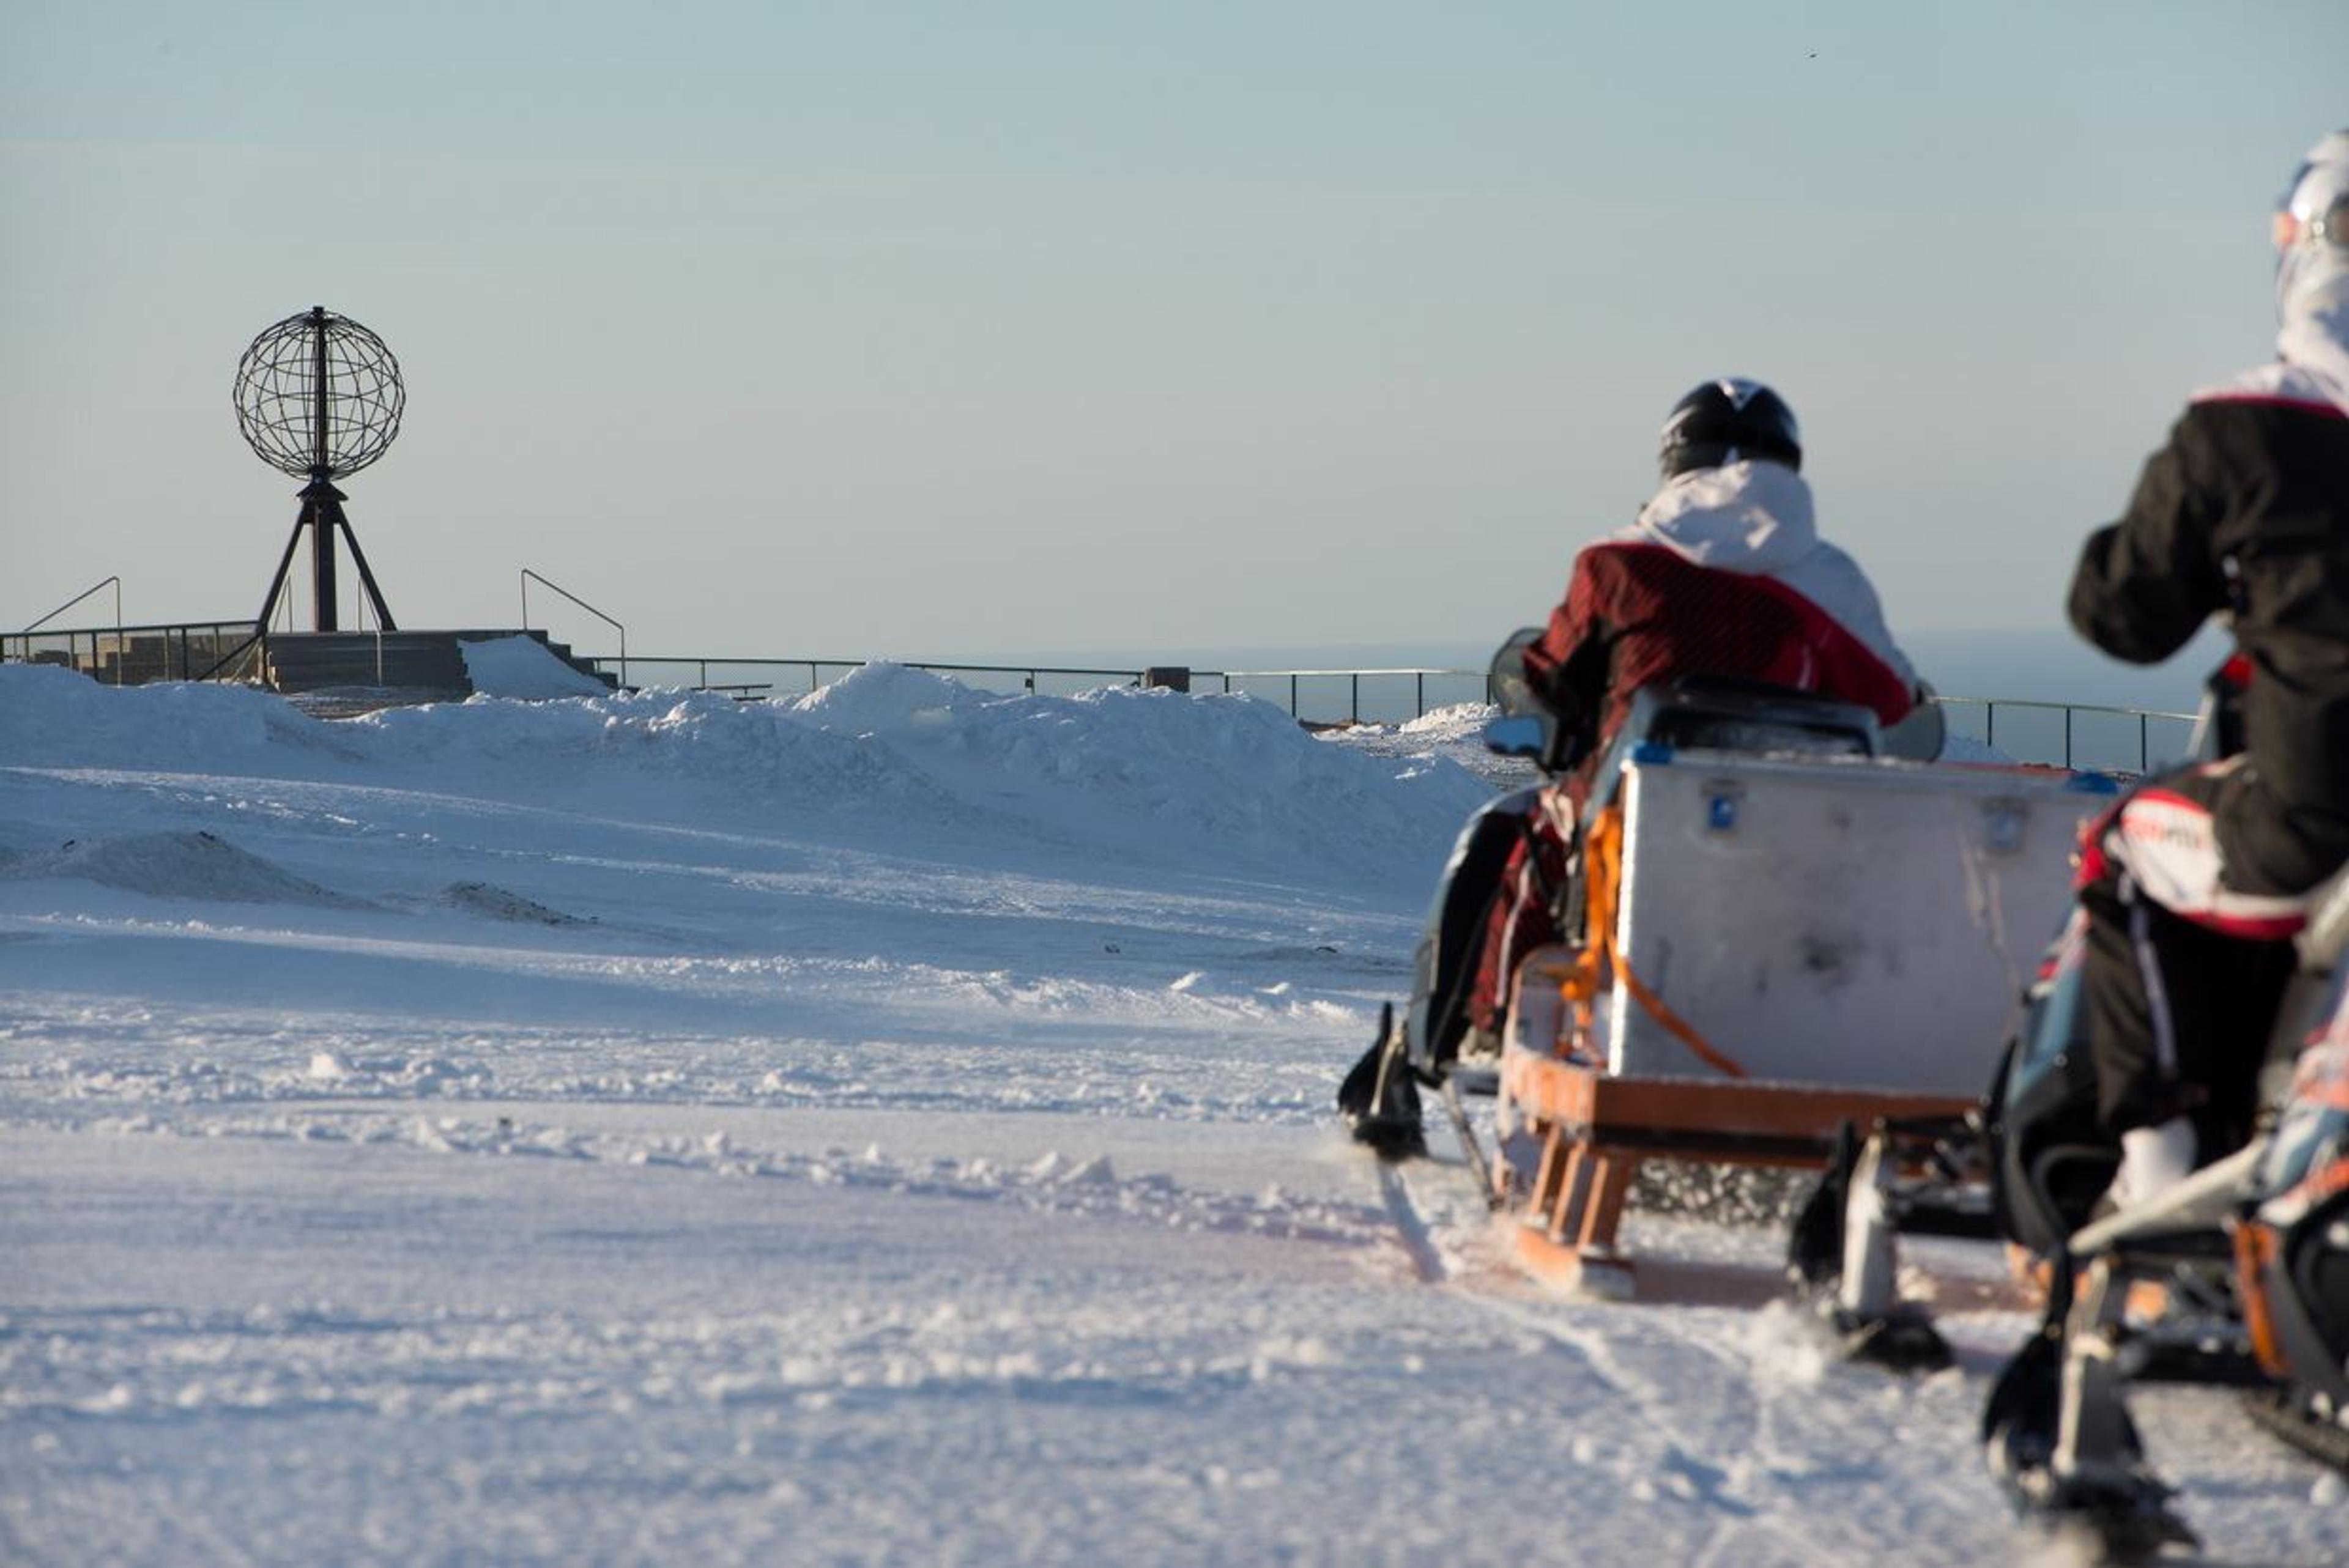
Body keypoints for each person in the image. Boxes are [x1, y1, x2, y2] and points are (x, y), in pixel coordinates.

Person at [2063, 130, 2349, 1202]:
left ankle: (2157, 1174)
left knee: (2121, 851)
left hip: (2315, 816)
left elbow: (2124, 616)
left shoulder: (2246, 422)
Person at [1463, 377, 1924, 1043]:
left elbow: (1549, 674)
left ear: (1673, 458)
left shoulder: (1616, 561)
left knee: (1534, 851)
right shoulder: (1830, 578)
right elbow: (1890, 697)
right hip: (1794, 828)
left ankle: (1490, 1027)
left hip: (1636, 814)